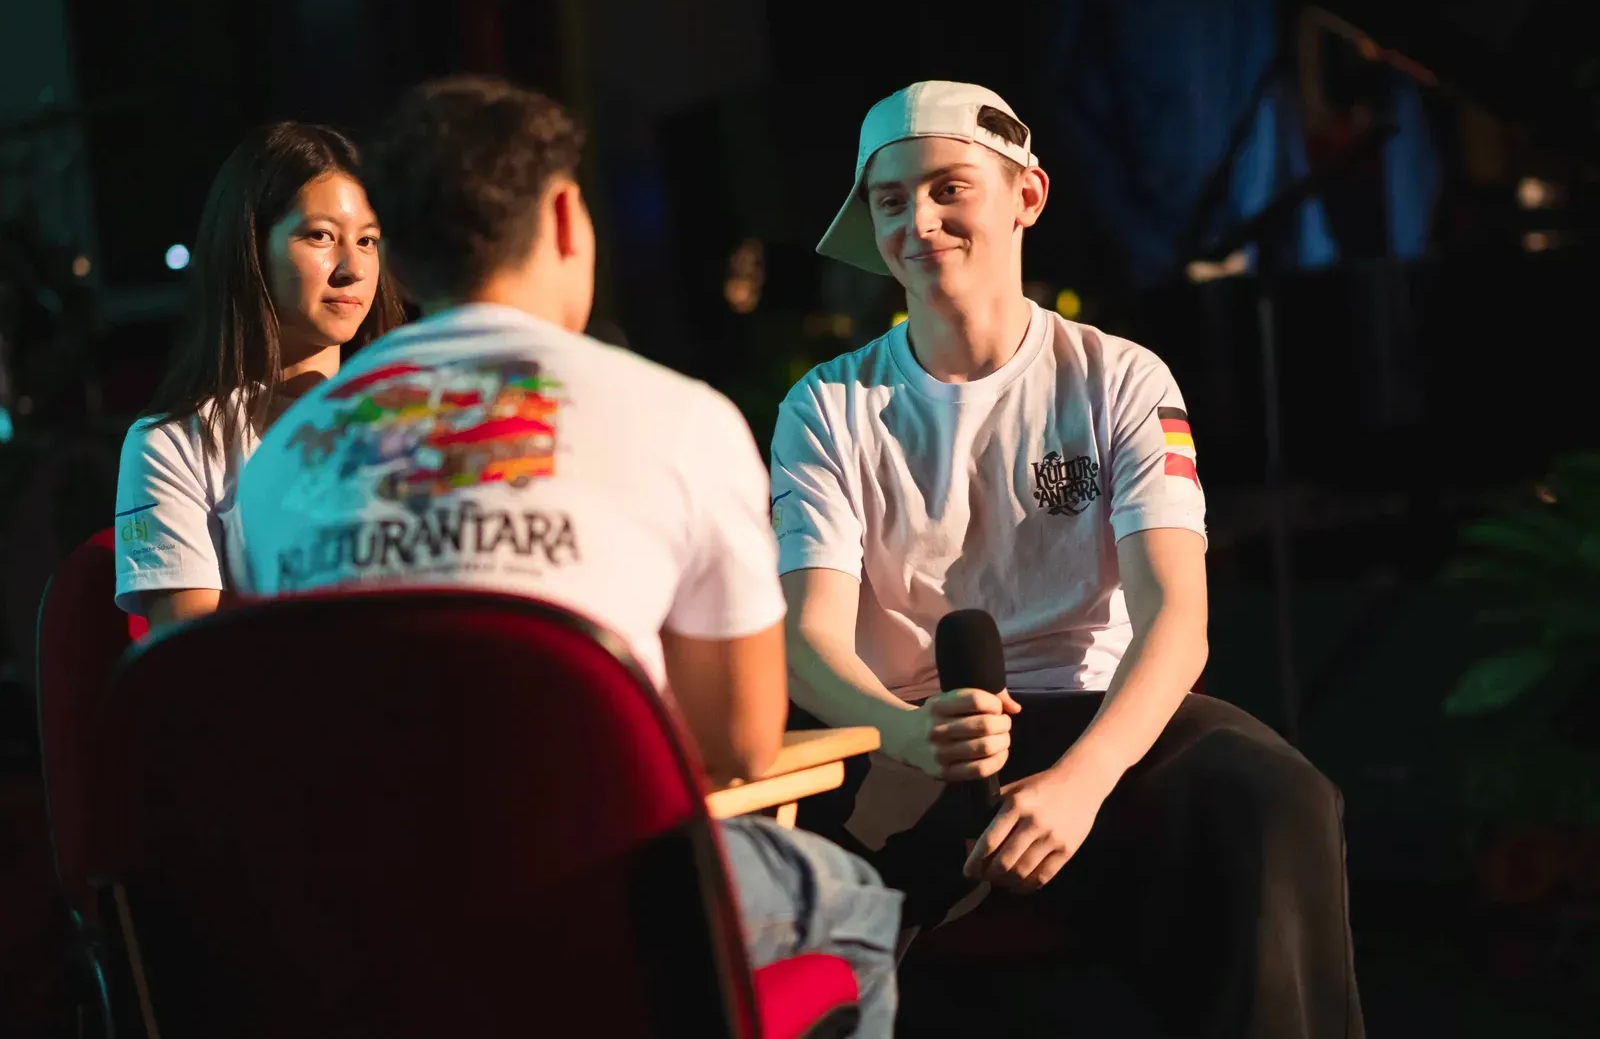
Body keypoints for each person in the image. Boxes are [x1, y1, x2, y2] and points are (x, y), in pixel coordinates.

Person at [230, 76, 900, 1035]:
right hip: (598, 897)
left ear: (400, 254)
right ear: (562, 217)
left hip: (357, 930)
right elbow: (741, 743)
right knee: (857, 906)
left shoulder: (280, 461)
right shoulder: (681, 420)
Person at [773, 80, 1364, 1038]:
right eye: (891, 200)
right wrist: (903, 731)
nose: (919, 221)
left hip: (1103, 721)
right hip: (906, 733)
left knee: (1278, 795)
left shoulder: (1120, 377)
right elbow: (809, 641)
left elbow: (1177, 618)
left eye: (949, 188)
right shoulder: (826, 406)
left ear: (1027, 196)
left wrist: (1082, 781)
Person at [113, 122, 405, 629]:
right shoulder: (176, 444)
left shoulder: (412, 409)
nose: (353, 268)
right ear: (250, 247)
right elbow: (194, 659)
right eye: (320, 236)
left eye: (367, 240)